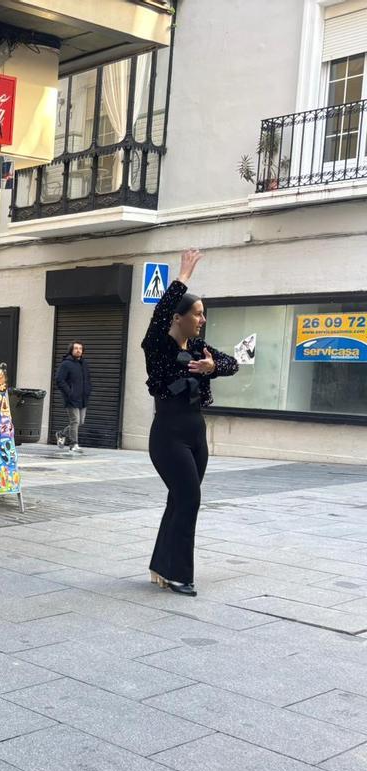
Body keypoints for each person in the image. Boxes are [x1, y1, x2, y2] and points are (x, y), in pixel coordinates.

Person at [141, 249, 238, 596]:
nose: (202, 319)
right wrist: (182, 277)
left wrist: (213, 368)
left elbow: (232, 363)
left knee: (180, 499)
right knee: (189, 499)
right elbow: (159, 313)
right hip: (168, 435)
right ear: (179, 317)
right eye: (197, 313)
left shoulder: (199, 348)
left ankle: (161, 566)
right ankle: (179, 574)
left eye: (203, 314)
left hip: (197, 435)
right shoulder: (158, 347)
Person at [54, 341, 92, 453]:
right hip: (71, 398)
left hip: (83, 398)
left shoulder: (84, 364)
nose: (78, 350)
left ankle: (61, 434)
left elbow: (88, 380)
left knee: (80, 422)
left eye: (80, 348)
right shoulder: (66, 364)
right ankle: (73, 444)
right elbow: (59, 380)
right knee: (75, 421)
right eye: (76, 348)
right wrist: (69, 393)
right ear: (71, 350)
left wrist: (88, 390)